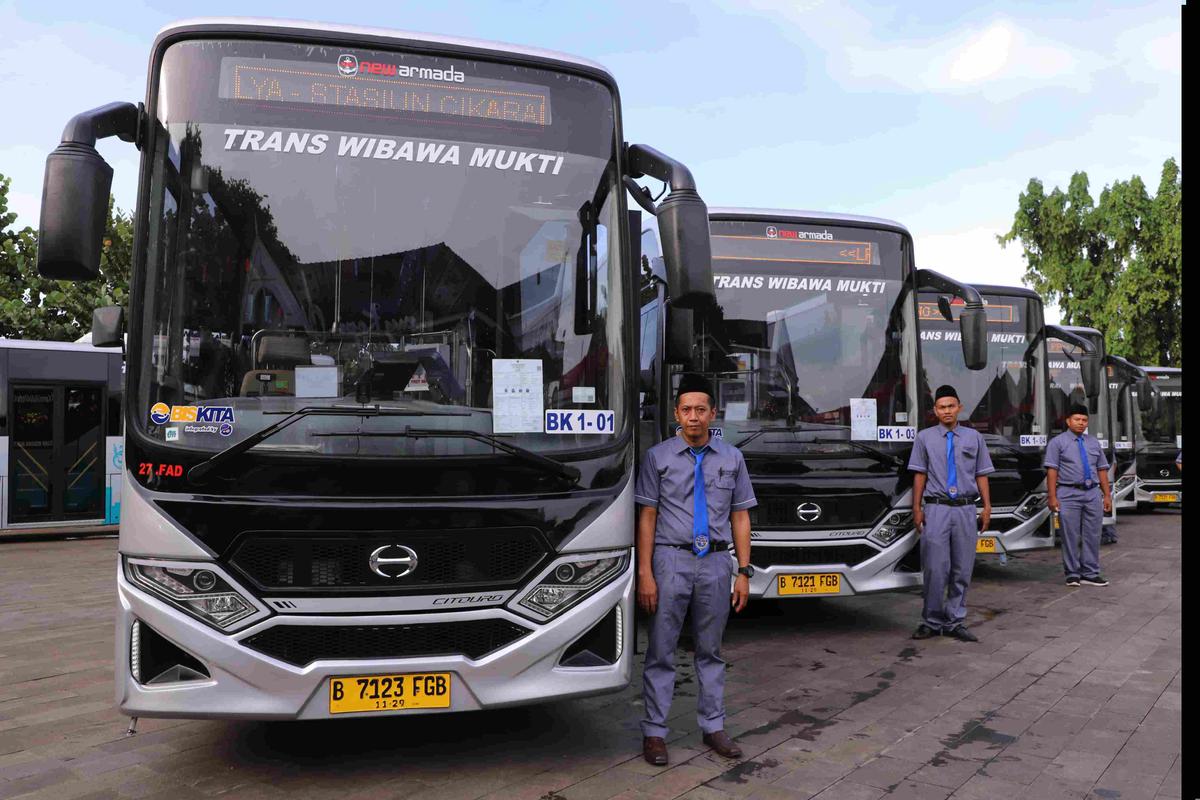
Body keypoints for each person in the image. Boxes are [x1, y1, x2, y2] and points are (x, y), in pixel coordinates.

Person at [634, 373, 756, 766]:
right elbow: (647, 517)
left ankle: (714, 727)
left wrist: (744, 570)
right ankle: (655, 732)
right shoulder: (658, 457)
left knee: (711, 650)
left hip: (717, 563)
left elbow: (740, 517)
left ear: (712, 413)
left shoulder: (732, 458)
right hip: (671, 560)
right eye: (686, 409)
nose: (693, 417)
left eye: (700, 410)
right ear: (676, 413)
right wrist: (646, 574)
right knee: (661, 650)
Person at [909, 385, 994, 642]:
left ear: (959, 407)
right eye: (942, 407)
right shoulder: (924, 438)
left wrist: (987, 507)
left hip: (966, 510)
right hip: (936, 509)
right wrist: (917, 507)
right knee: (935, 568)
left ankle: (955, 620)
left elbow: (981, 473)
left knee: (962, 568)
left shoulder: (974, 438)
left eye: (951, 406)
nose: (947, 411)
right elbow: (919, 474)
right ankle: (931, 621)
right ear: (935, 410)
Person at [1046, 404, 1112, 587]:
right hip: (1068, 493)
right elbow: (1052, 470)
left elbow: (1102, 470)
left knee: (1093, 534)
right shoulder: (1057, 443)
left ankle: (1090, 573)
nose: (1081, 423)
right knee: (1070, 535)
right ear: (1068, 421)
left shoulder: (1093, 442)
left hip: (1092, 493)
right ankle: (1072, 573)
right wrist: (1052, 496)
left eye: (1084, 420)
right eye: (1077, 419)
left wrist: (1107, 496)